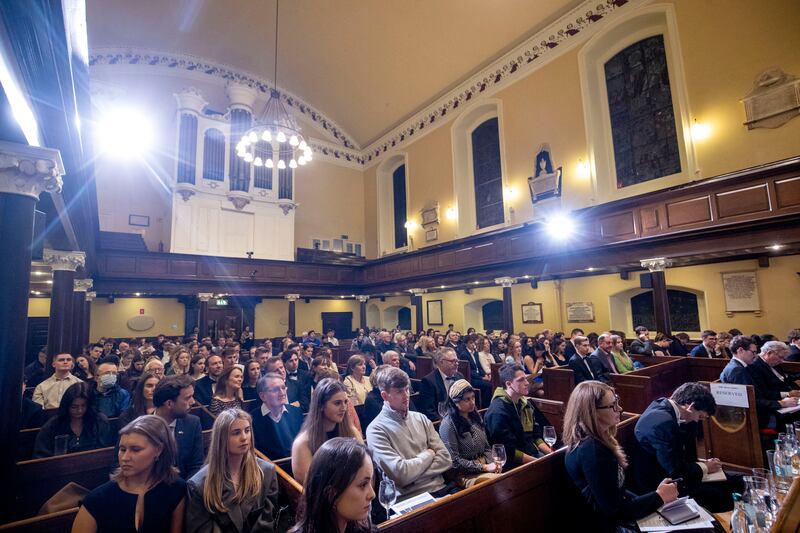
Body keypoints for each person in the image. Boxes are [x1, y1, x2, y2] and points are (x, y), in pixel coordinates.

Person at [564, 381, 677, 532]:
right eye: (612, 406)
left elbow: (618, 492)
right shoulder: (592, 450)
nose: (620, 409)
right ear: (592, 411)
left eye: (617, 402)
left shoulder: (598, 442)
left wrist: (656, 495)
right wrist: (658, 497)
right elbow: (613, 511)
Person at [631, 382, 743, 512]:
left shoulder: (668, 408)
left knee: (737, 479)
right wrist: (705, 467)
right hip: (660, 484)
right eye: (700, 417)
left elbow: (684, 452)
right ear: (691, 406)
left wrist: (704, 465)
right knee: (720, 495)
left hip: (677, 472)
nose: (697, 421)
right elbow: (675, 471)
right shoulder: (663, 422)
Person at [71, 415, 186, 533]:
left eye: (136, 449)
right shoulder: (97, 500)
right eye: (122, 449)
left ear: (158, 450)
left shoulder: (175, 489)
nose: (125, 458)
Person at [366, 367, 453, 501]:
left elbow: (445, 459)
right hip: (410, 499)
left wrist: (412, 478)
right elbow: (400, 474)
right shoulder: (376, 429)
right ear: (384, 395)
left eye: (407, 389)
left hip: (440, 488)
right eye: (399, 391)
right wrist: (429, 454)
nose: (406, 395)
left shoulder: (421, 418)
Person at [186, 409, 279, 533]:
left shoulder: (267, 471)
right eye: (236, 433)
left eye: (247, 430)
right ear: (222, 438)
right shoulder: (198, 484)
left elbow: (267, 521)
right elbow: (202, 529)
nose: (244, 438)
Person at [289, 437, 375, 533]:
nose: (372, 495)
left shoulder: (367, 530)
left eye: (370, 481)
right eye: (363, 485)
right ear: (331, 493)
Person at [291, 378, 362, 483]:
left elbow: (364, 464)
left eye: (345, 402)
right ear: (321, 405)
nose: (344, 408)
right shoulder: (303, 443)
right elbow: (310, 484)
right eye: (337, 403)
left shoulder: (351, 431)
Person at [485, 363, 552, 469]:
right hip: (514, 463)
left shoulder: (525, 403)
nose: (526, 383)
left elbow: (535, 435)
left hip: (532, 454)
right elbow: (508, 451)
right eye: (521, 380)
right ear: (509, 384)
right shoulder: (498, 412)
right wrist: (539, 462)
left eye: (526, 379)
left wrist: (551, 454)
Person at [438, 379, 500, 488]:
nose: (472, 402)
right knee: (500, 482)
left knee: (505, 477)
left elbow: (486, 447)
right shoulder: (448, 425)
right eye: (467, 399)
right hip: (464, 475)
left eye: (473, 397)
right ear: (455, 401)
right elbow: (455, 462)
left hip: (484, 467)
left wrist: (494, 465)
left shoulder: (474, 416)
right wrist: (484, 467)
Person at [34, 382, 113, 457]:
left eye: (83, 406)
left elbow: (105, 451)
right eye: (74, 407)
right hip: (60, 468)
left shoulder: (99, 421)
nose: (79, 410)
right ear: (66, 406)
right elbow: (41, 455)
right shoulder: (54, 425)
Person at [152, 375, 204, 479]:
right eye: (188, 398)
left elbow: (196, 466)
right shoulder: (140, 427)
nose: (193, 402)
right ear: (169, 403)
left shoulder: (193, 423)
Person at [251, 372, 304, 461]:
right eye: (275, 390)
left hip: (297, 464)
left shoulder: (296, 411)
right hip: (269, 470)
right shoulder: (252, 419)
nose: (282, 393)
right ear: (263, 396)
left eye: (283, 388)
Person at [418, 348, 466, 421]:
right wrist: (447, 424)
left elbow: (465, 399)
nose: (456, 363)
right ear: (441, 362)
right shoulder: (428, 381)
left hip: (460, 417)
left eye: (457, 361)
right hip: (442, 422)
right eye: (452, 361)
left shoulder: (459, 376)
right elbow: (430, 411)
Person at [458, 334, 493, 409]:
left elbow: (479, 367)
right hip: (471, 379)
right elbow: (469, 371)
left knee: (491, 382)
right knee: (488, 386)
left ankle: (489, 403)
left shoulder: (476, 353)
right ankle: (485, 406)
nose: (473, 344)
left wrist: (485, 375)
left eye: (473, 342)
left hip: (478, 376)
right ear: (466, 344)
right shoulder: (464, 355)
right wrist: (481, 378)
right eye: (470, 343)